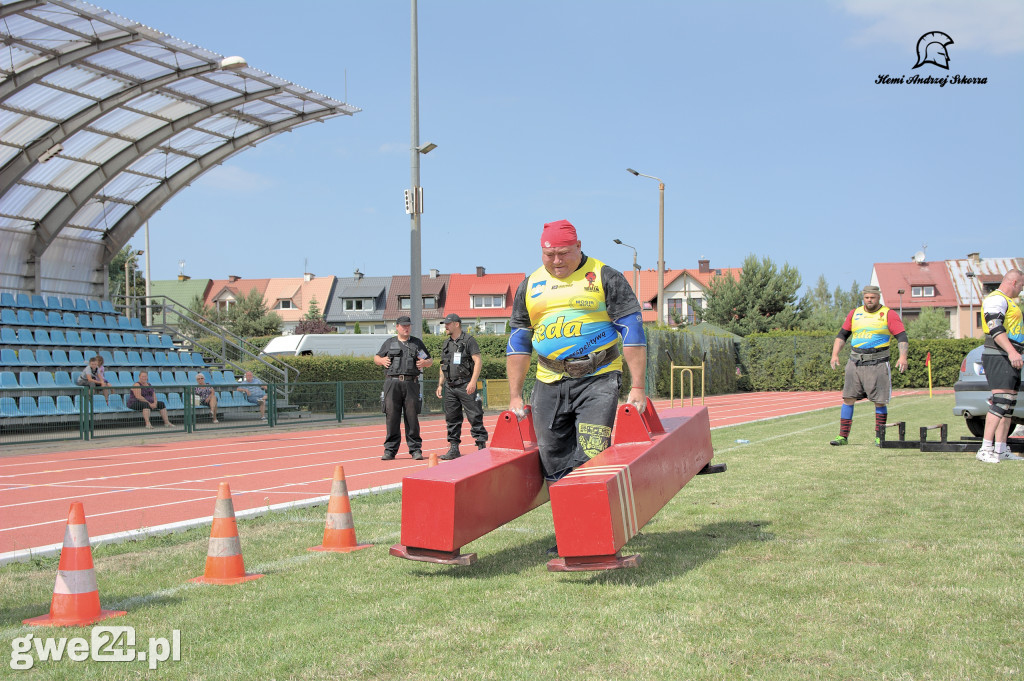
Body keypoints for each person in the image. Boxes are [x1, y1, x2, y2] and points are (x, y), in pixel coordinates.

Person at [506, 219, 647, 483]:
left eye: (563, 253)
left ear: (579, 246)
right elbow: (518, 342)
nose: (557, 261)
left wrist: (637, 386)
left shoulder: (606, 276)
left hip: (599, 378)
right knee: (552, 460)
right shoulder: (530, 284)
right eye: (549, 255)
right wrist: (515, 395)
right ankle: (570, 522)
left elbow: (633, 332)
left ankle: (597, 523)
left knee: (591, 457)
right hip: (548, 381)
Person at [829, 284, 909, 446]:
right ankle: (842, 437)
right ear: (863, 298)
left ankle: (879, 436)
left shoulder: (888, 314)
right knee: (848, 398)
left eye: (872, 297)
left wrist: (903, 357)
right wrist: (834, 354)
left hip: (878, 363)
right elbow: (842, 335)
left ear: (878, 297)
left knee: (879, 401)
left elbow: (902, 337)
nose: (869, 300)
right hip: (855, 362)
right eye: (866, 297)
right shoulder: (855, 313)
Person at [976, 269, 1024, 463]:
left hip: (1010, 356)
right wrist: (1012, 352)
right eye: (1021, 286)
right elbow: (995, 327)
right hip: (999, 355)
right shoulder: (996, 299)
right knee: (1001, 401)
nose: (1021, 290)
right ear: (1013, 283)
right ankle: (985, 448)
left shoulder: (1010, 301)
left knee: (1008, 405)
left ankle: (1001, 449)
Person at [374, 315, 433, 460]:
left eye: (408, 325)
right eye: (403, 326)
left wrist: (425, 363)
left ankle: (415, 450)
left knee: (412, 417)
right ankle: (390, 450)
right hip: (392, 383)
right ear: (397, 327)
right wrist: (381, 360)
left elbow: (429, 360)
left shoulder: (416, 343)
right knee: (392, 417)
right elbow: (376, 358)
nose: (406, 328)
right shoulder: (389, 343)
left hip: (411, 383)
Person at [436, 313, 488, 459]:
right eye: (445, 324)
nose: (445, 326)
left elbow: (478, 361)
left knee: (475, 415)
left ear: (456, 324)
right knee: (452, 418)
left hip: (465, 384)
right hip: (450, 386)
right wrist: (440, 384)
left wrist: (472, 382)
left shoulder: (469, 340)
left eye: (448, 324)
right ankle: (454, 449)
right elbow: (442, 364)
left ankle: (481, 446)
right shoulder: (446, 343)